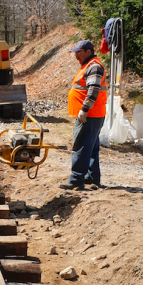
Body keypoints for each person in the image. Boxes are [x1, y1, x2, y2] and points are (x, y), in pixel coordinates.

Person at [60, 40, 108, 190]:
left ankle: (76, 179)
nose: (76, 56)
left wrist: (84, 109)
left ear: (88, 51)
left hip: (90, 115)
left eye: (78, 53)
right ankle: (91, 177)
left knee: (81, 145)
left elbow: (93, 90)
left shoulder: (93, 66)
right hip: (93, 114)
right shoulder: (89, 65)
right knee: (91, 147)